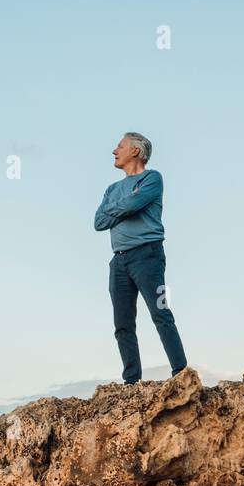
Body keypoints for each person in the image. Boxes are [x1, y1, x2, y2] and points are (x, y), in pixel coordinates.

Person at [93, 132, 188, 384]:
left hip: (148, 255)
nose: (114, 151)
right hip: (119, 262)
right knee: (122, 324)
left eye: (119, 146)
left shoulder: (152, 178)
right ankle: (131, 382)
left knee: (160, 312)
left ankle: (181, 373)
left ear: (135, 151)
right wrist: (128, 203)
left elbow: (131, 206)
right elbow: (99, 222)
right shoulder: (111, 189)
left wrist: (123, 207)